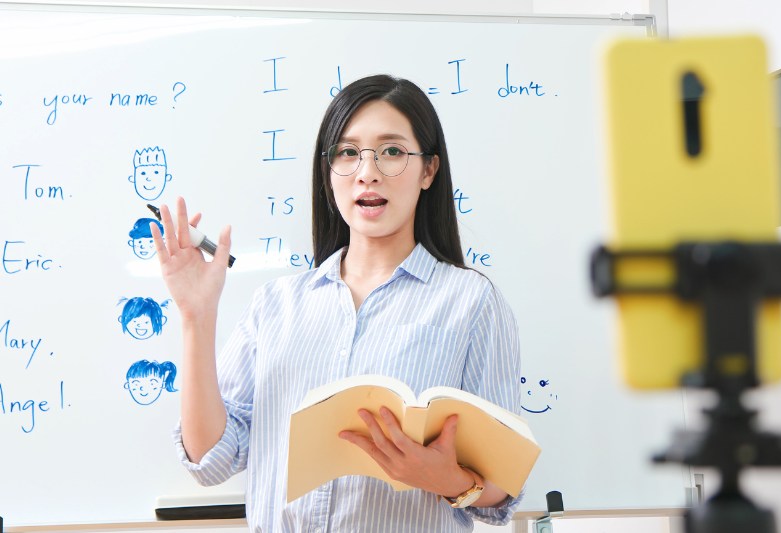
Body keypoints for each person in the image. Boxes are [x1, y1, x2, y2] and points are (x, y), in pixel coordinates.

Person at [151, 74, 523, 532]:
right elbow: (211, 459)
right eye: (348, 153)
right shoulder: (276, 306)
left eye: (391, 151)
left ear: (428, 171)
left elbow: (502, 487)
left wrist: (444, 478)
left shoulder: (471, 303)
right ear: (328, 175)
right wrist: (196, 317)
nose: (367, 171)